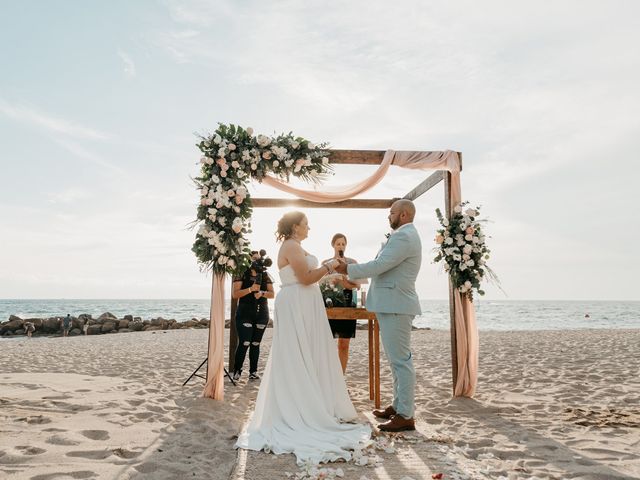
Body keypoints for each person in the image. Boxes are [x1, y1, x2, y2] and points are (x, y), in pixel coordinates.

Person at [235, 211, 370, 465]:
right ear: (295, 227)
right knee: (295, 352)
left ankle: (314, 398)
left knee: (308, 350)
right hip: (296, 302)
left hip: (305, 300)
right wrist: (329, 266)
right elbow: (306, 278)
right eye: (306, 224)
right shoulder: (290, 246)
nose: (309, 228)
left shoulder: (297, 245)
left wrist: (330, 276)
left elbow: (310, 278)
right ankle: (298, 406)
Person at [335, 199, 422, 432]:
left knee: (401, 361)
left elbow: (380, 264)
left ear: (403, 215)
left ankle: (406, 415)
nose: (388, 217)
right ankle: (398, 405)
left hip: (397, 304)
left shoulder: (405, 236)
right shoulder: (401, 235)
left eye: (391, 213)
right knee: (396, 361)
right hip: (391, 303)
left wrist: (348, 269)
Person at [321, 233, 365, 374]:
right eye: (338, 244)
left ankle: (341, 378)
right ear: (333, 245)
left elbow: (358, 284)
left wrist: (344, 282)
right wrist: (331, 280)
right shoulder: (326, 263)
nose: (341, 246)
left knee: (344, 344)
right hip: (330, 305)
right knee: (327, 345)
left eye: (343, 244)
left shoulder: (352, 262)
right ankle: (328, 378)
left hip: (347, 304)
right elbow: (320, 284)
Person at [231, 253, 275, 381]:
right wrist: (250, 289)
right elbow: (235, 294)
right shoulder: (242, 273)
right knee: (244, 342)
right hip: (244, 312)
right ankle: (237, 370)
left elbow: (272, 294)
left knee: (256, 343)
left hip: (262, 313)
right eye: (254, 258)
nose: (257, 261)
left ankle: (253, 372)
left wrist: (262, 293)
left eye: (258, 258)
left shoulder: (266, 275)